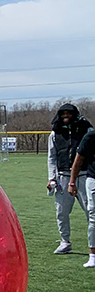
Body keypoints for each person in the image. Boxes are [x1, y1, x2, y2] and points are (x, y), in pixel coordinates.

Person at [47, 103, 91, 254]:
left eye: (69, 113)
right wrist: (51, 178)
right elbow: (51, 157)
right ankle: (65, 241)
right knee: (61, 211)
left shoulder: (85, 130)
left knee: (91, 211)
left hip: (84, 175)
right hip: (63, 177)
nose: (66, 116)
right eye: (63, 113)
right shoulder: (55, 133)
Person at [68, 127, 95, 268]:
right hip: (93, 180)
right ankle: (93, 255)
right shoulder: (90, 137)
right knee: (93, 217)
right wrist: (72, 182)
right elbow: (78, 162)